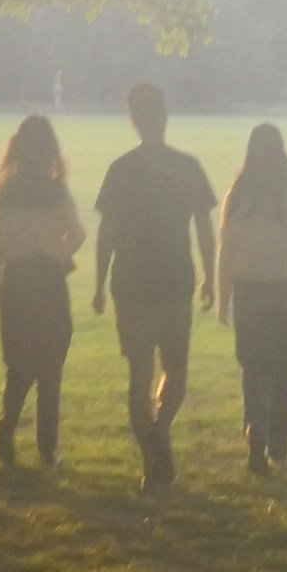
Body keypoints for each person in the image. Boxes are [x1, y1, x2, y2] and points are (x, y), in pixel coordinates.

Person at [89, 80, 216, 487]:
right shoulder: (187, 166)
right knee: (175, 371)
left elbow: (106, 233)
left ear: (134, 121)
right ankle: (161, 433)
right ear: (164, 117)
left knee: (139, 374)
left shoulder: (121, 169)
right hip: (176, 280)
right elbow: (204, 229)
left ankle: (152, 459)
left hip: (131, 283)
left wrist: (98, 283)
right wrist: (211, 276)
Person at [216, 121, 287, 476]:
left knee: (253, 369)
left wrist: (222, 295)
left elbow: (225, 252)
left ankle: (254, 427)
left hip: (248, 293)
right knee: (282, 373)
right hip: (284, 294)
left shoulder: (236, 198)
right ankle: (278, 443)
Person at [0, 111, 83, 469]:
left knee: (19, 364)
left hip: (17, 279)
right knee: (51, 367)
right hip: (49, 280)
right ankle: (47, 449)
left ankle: (6, 431)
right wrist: (59, 253)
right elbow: (78, 234)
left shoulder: (3, 188)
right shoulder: (56, 190)